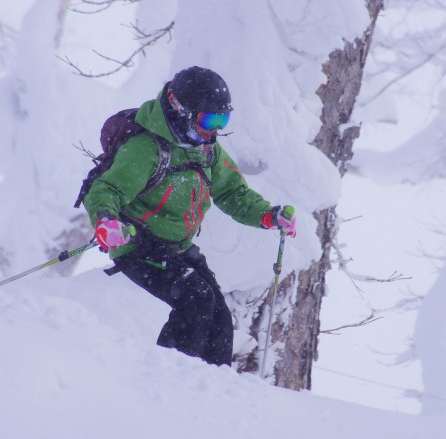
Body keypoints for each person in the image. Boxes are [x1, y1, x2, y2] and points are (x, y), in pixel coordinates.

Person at [83, 66, 297, 366]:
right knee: (196, 301)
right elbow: (107, 189)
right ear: (180, 109)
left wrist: (267, 215)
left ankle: (214, 388)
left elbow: (232, 192)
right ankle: (170, 376)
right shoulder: (147, 149)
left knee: (221, 320)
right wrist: (107, 221)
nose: (215, 129)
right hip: (139, 247)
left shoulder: (207, 150)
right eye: (209, 120)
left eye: (223, 120)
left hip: (179, 249)